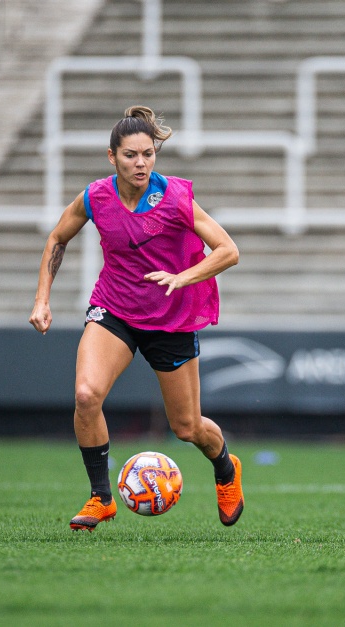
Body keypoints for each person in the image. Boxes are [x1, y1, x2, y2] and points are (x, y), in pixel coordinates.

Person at [29, 105, 243, 530]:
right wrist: (42, 299)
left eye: (148, 154)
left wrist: (182, 277)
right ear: (112, 157)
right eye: (130, 155)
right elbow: (57, 237)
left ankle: (225, 467)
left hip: (173, 318)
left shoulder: (177, 197)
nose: (141, 162)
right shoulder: (96, 196)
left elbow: (228, 251)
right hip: (116, 309)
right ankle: (101, 498)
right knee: (87, 396)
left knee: (187, 428)